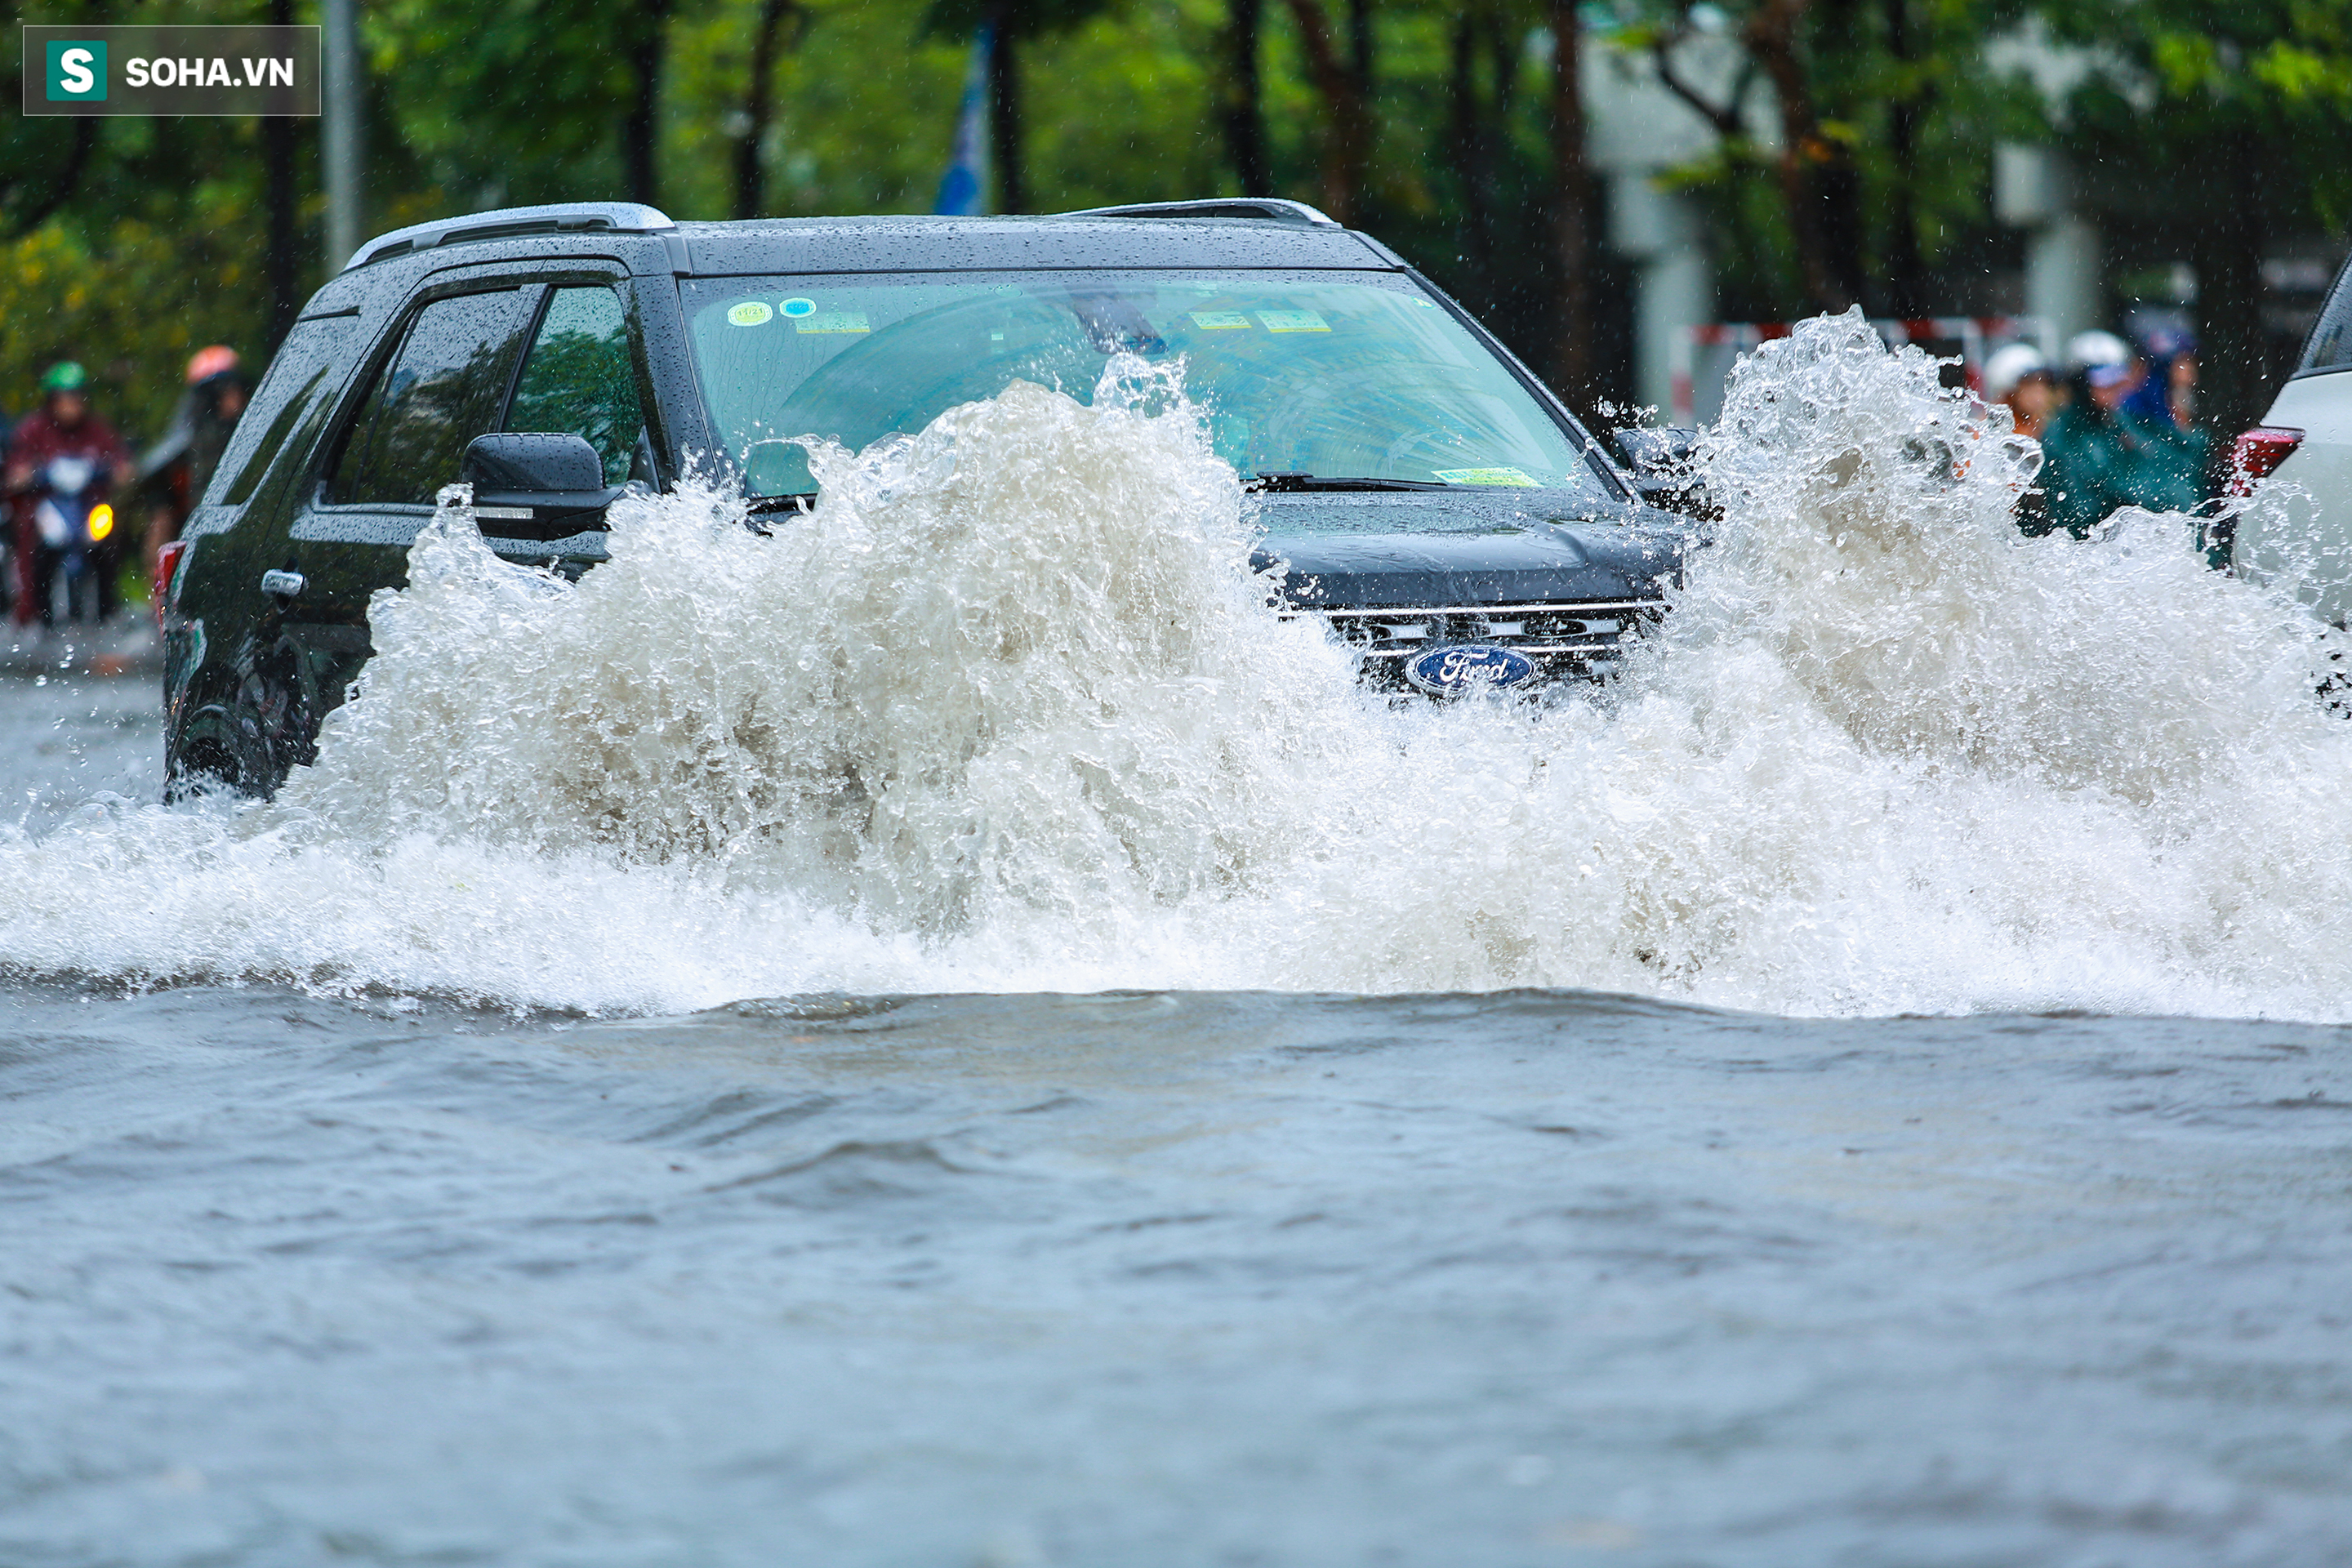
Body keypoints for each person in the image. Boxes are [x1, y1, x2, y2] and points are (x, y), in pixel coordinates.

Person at [2031, 331, 2212, 554]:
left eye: (2118, 378)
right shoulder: (2063, 435)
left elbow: (2169, 452)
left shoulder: (2116, 420)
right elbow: (2080, 513)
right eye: (2104, 380)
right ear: (2081, 383)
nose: (2115, 388)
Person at [5, 362, 131, 628]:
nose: (74, 404)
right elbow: (15, 473)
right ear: (52, 401)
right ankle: (34, 610)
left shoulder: (97, 429)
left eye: (78, 397)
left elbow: (125, 468)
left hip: (89, 507)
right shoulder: (34, 429)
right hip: (50, 507)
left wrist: (110, 471)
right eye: (67, 398)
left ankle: (109, 607)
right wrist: (35, 473)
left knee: (107, 541)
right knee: (33, 542)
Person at [140, 345, 250, 576]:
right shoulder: (192, 436)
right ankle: (160, 588)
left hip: (234, 520)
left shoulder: (245, 430)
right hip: (194, 520)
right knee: (160, 521)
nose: (235, 396)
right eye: (227, 390)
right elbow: (161, 478)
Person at [1983, 342, 2061, 441]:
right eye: (2030, 388)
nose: (2039, 397)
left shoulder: (2044, 426)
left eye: (2043, 388)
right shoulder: (1989, 431)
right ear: (2009, 392)